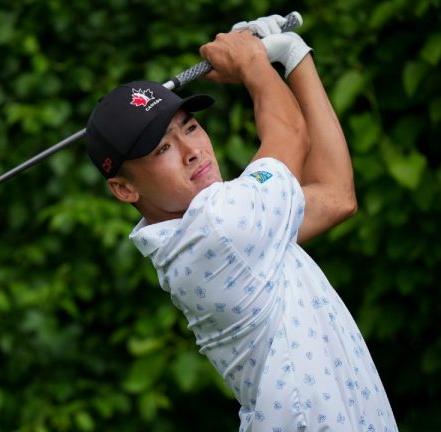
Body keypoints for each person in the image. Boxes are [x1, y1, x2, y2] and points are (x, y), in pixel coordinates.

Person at [85, 14, 398, 431]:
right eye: (161, 148)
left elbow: (336, 195)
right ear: (125, 190)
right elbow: (290, 133)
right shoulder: (218, 226)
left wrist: (293, 57)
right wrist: (253, 63)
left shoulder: (229, 233)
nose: (192, 150)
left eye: (191, 128)